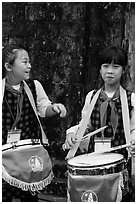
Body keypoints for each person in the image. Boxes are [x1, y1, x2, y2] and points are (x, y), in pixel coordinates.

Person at [64, 46, 135, 201]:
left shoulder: (132, 99)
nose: (110, 71)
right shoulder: (92, 97)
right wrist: (71, 133)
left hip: (119, 164)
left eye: (115, 66)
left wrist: (134, 140)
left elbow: (134, 128)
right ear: (100, 69)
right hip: (93, 163)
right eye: (105, 66)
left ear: (123, 70)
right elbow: (85, 125)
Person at [2, 43, 67, 202]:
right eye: (24, 62)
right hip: (5, 154)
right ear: (8, 66)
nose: (29, 66)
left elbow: (44, 109)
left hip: (27, 153)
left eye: (29, 62)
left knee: (28, 194)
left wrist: (55, 108)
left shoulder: (33, 86)